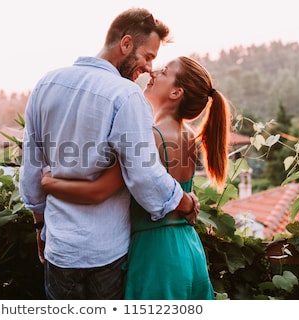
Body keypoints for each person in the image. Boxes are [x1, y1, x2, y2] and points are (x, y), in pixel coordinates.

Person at [19, 8, 198, 300]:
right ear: (126, 44)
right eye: (148, 56)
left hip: (59, 249)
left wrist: (41, 226)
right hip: (107, 253)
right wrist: (185, 202)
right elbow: (144, 175)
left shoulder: (46, 84)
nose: (150, 68)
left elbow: (31, 168)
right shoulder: (126, 96)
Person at [41, 56, 231, 299]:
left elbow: (99, 190)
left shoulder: (150, 137)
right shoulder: (189, 135)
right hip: (189, 249)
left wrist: (48, 183)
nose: (153, 74)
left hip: (156, 255)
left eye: (164, 71)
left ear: (176, 92)